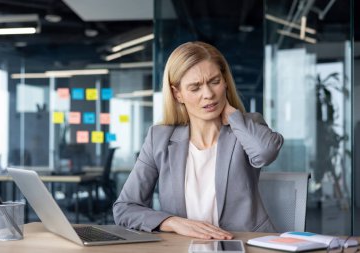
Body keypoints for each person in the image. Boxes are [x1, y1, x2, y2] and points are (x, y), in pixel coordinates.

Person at [113, 41, 284, 239]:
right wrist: (172, 222)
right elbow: (124, 208)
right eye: (195, 88)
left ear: (225, 81)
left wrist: (233, 116)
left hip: (244, 244)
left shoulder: (246, 127)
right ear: (178, 94)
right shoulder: (159, 138)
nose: (208, 94)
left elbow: (266, 152)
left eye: (215, 81)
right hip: (184, 247)